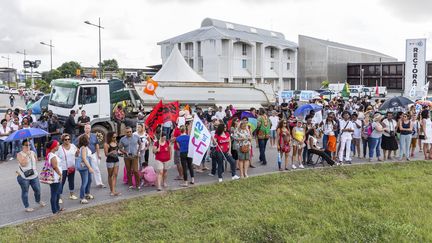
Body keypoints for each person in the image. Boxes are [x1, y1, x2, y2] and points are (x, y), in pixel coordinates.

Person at [16, 140, 46, 212]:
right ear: (23, 146)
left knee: (37, 190)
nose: (28, 146)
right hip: (23, 177)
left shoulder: (33, 152)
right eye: (26, 145)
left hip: (34, 175)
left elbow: (35, 162)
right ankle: (27, 206)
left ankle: (38, 200)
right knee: (25, 191)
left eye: (29, 145)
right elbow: (23, 164)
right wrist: (27, 155)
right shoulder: (19, 154)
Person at [56, 134, 78, 203]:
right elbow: (56, 158)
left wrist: (77, 153)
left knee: (71, 181)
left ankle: (72, 194)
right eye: (66, 139)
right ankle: (59, 197)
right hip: (63, 168)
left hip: (72, 167)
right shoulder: (59, 148)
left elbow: (76, 155)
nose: (67, 141)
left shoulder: (73, 146)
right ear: (62, 140)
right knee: (61, 183)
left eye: (69, 139)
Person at [46, 140, 64, 214]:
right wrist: (60, 174)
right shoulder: (52, 155)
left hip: (56, 177)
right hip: (55, 177)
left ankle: (57, 208)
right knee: (54, 194)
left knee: (57, 193)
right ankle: (54, 210)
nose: (58, 146)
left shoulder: (52, 154)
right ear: (54, 147)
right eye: (57, 145)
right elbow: (55, 167)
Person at [76, 135, 94, 204]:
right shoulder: (83, 148)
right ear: (85, 140)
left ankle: (87, 193)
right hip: (84, 166)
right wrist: (89, 167)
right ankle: (82, 197)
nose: (89, 140)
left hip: (87, 165)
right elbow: (84, 158)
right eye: (88, 138)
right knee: (85, 182)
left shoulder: (85, 147)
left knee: (89, 180)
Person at [104, 132, 121, 196]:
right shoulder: (106, 144)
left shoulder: (116, 142)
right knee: (110, 175)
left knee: (115, 175)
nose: (115, 138)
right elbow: (106, 154)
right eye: (113, 137)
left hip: (116, 160)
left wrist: (120, 153)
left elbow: (117, 151)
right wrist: (111, 152)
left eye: (115, 137)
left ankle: (113, 190)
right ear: (110, 137)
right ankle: (112, 190)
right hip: (110, 161)